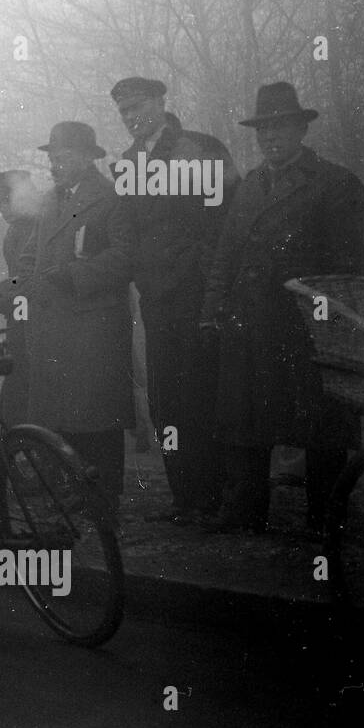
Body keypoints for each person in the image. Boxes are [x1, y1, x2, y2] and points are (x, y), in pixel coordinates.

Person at [199, 82, 364, 534]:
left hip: (305, 328)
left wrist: (328, 318)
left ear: (300, 130)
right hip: (247, 323)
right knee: (243, 421)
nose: (270, 137)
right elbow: (226, 253)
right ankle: (244, 512)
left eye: (281, 127)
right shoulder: (251, 185)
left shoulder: (335, 184)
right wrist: (212, 308)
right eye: (263, 130)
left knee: (320, 426)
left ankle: (327, 516)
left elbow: (352, 266)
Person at [109, 76, 239, 525]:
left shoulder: (198, 148)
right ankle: (185, 498)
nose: (130, 117)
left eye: (137, 106)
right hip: (157, 297)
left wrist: (202, 277)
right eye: (123, 111)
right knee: (167, 399)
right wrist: (144, 272)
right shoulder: (128, 163)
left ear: (162, 102)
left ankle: (217, 497)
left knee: (204, 394)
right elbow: (125, 230)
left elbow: (228, 218)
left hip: (200, 295)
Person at [21, 122, 136, 512]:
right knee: (65, 416)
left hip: (94, 325)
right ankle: (75, 490)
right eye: (52, 157)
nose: (56, 164)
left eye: (64, 156)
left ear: (89, 158)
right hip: (54, 326)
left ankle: (104, 497)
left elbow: (125, 256)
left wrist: (74, 274)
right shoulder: (50, 200)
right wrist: (18, 281)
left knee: (97, 417)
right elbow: (31, 254)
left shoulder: (111, 198)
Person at [0, 170, 40, 427]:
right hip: (20, 314)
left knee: (24, 376)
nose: (3, 209)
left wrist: (10, 292)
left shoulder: (36, 227)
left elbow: (36, 275)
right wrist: (6, 286)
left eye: (6, 201)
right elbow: (19, 275)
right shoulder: (14, 231)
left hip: (34, 317)